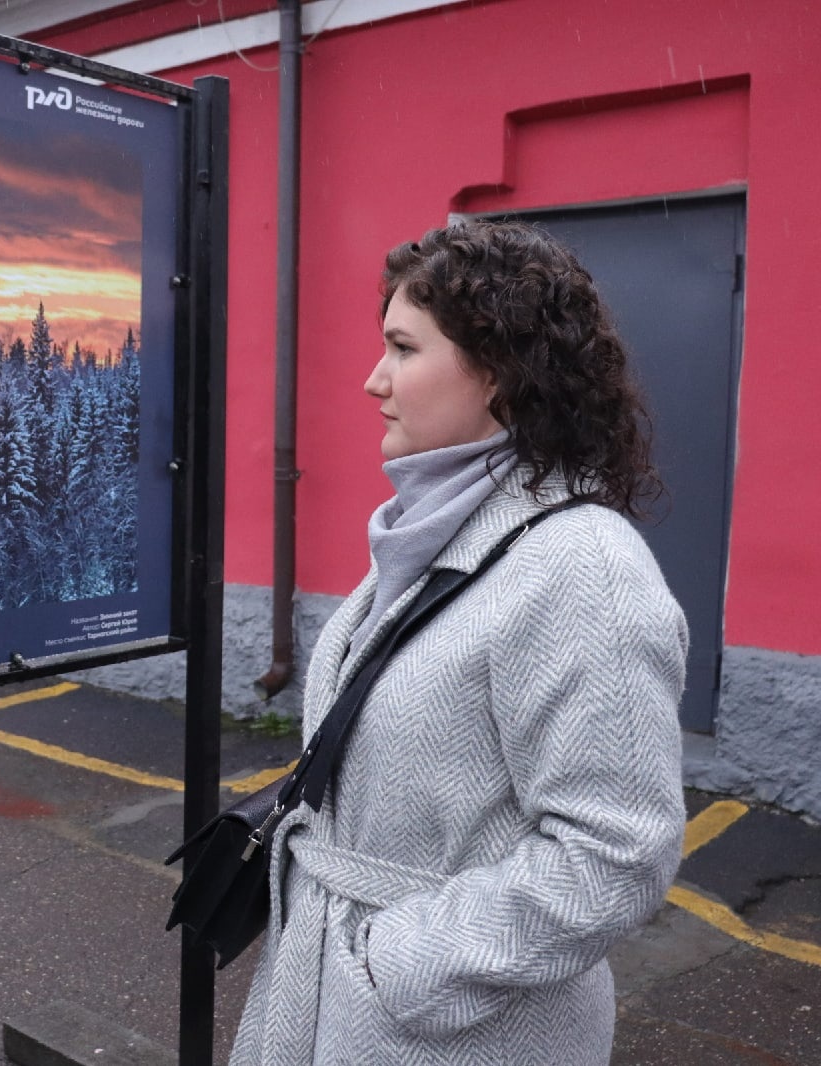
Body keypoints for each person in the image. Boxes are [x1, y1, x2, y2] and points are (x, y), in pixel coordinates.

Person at [229, 219, 688, 1066]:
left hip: (450, 1030)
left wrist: (401, 961)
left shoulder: (581, 568)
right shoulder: (437, 533)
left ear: (502, 373)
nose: (373, 381)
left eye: (403, 348)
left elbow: (615, 856)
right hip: (335, 989)